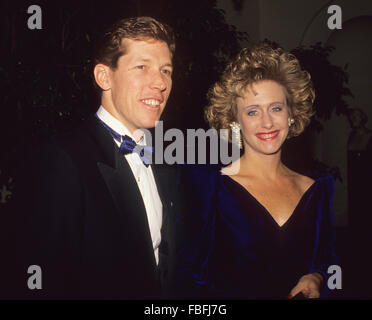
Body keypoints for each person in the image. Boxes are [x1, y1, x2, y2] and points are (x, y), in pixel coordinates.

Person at [13, 16, 176, 299]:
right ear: (104, 76)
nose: (160, 82)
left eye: (166, 70)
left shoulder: (164, 159)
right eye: (142, 67)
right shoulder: (61, 161)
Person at [172, 43, 338, 299]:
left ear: (291, 114)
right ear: (234, 121)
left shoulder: (316, 190)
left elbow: (329, 265)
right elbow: (184, 283)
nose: (267, 122)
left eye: (276, 108)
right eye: (252, 112)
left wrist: (316, 278)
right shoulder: (209, 188)